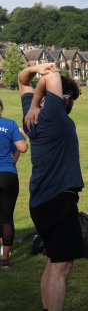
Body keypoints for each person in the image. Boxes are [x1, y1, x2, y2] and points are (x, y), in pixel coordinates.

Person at [19, 62, 88, 311]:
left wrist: (35, 70)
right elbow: (52, 77)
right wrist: (42, 89)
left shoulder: (31, 118)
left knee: (51, 261)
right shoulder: (55, 116)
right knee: (61, 266)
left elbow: (23, 79)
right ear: (66, 100)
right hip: (59, 200)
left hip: (42, 201)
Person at [0, 98, 27, 268]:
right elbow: (22, 147)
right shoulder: (10, 124)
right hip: (8, 175)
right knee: (6, 217)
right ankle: (4, 259)